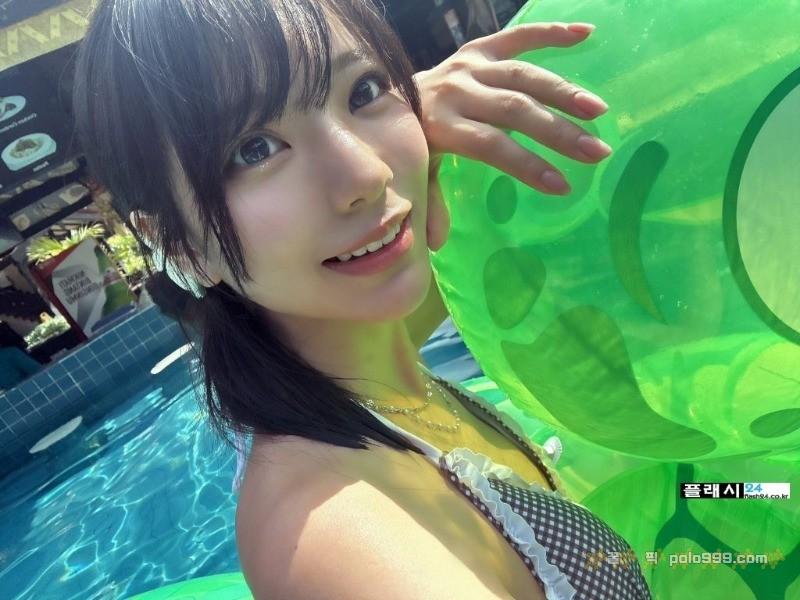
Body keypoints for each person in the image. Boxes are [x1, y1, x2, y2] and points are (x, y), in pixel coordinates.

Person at [72, 2, 648, 599]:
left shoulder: (375, 365)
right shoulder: (328, 530)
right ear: (182, 246)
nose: (367, 174)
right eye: (255, 149)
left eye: (365, 89)